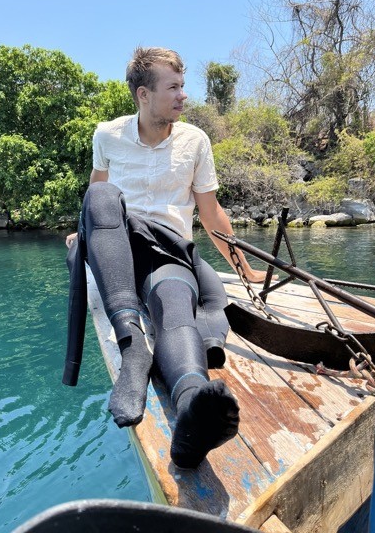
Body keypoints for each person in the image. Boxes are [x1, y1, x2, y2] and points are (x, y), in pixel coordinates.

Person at [64, 47, 267, 469]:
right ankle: (133, 348)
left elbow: (210, 213)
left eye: (182, 86)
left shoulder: (195, 141)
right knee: (100, 195)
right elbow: (97, 192)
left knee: (175, 306)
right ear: (143, 94)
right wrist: (82, 233)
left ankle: (193, 410)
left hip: (168, 250)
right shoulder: (107, 135)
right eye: (172, 87)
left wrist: (245, 269)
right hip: (118, 248)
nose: (182, 95)